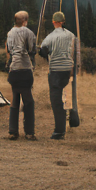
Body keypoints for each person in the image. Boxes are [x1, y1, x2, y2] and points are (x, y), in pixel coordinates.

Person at [39, 11, 76, 140]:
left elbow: (43, 51)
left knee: (56, 100)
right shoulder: (71, 35)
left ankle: (59, 131)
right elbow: (75, 50)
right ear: (63, 22)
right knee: (68, 95)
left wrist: (48, 55)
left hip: (55, 70)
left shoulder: (50, 37)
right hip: (68, 69)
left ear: (54, 22)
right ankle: (72, 116)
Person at [5, 10, 37, 140]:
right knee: (28, 102)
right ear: (25, 21)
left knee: (15, 100)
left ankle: (13, 131)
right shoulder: (29, 33)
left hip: (14, 70)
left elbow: (9, 49)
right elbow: (32, 50)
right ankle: (29, 132)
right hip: (25, 69)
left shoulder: (10, 33)